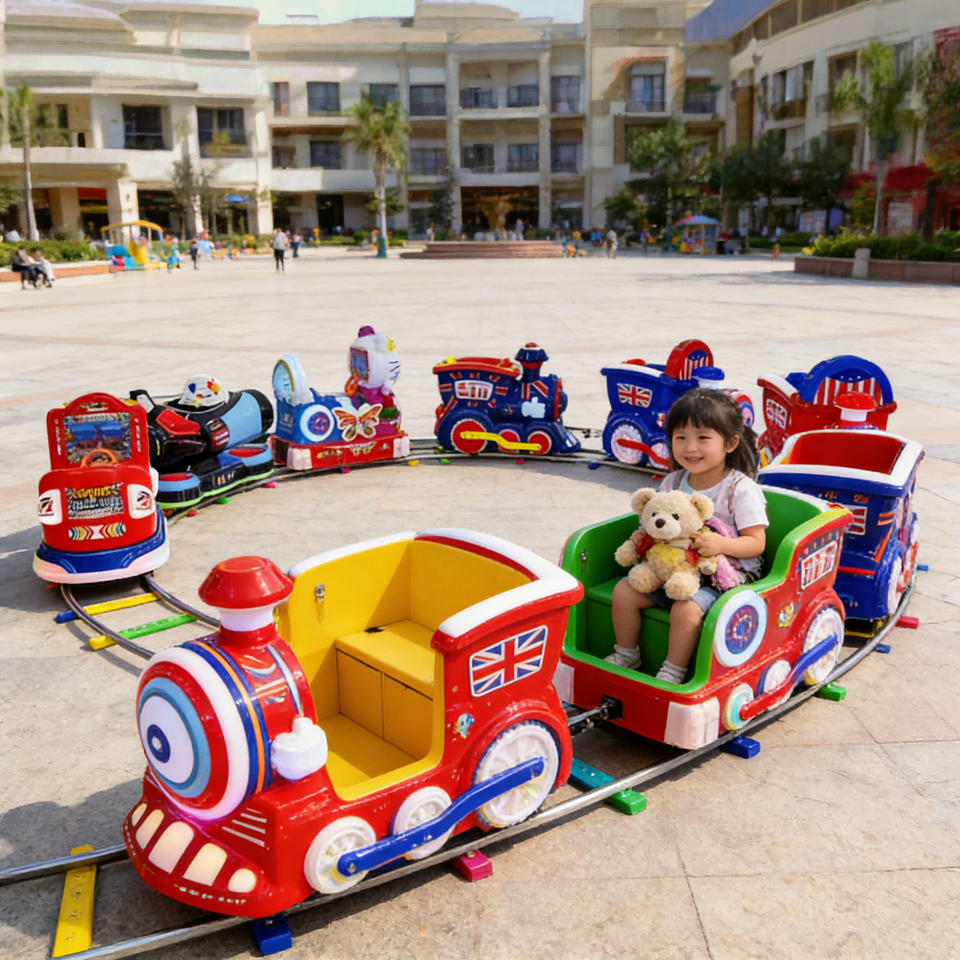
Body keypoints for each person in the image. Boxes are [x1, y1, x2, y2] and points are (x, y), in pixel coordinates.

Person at [606, 389, 768, 684]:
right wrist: (644, 536)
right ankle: (627, 653)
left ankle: (673, 670)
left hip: (721, 577)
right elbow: (659, 522)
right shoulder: (674, 481)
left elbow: (757, 543)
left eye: (703, 438)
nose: (690, 447)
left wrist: (720, 544)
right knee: (624, 592)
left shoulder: (740, 489)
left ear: (730, 443)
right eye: (681, 437)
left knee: (686, 609)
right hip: (671, 569)